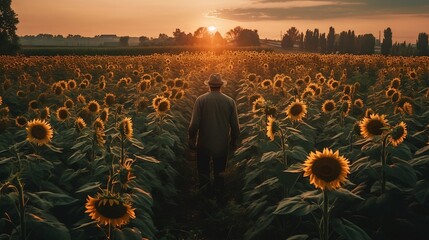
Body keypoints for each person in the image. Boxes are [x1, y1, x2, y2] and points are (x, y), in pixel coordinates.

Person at [188, 73, 240, 200]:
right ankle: (219, 198)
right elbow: (235, 126)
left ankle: (205, 198)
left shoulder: (201, 100)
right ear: (221, 85)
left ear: (209, 86)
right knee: (220, 172)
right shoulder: (229, 101)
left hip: (204, 143)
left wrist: (192, 138)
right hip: (221, 144)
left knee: (203, 172)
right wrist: (233, 141)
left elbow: (194, 124)